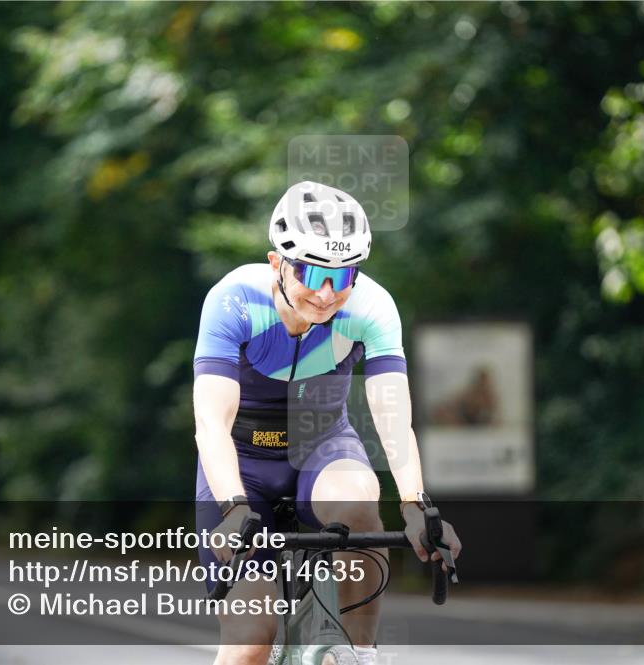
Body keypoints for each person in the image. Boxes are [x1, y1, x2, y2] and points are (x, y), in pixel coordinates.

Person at [193, 180, 461, 665]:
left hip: (325, 449)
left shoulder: (371, 306)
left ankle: (361, 652)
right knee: (249, 640)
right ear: (277, 263)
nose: (326, 293)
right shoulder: (232, 300)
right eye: (310, 273)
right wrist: (234, 508)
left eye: (343, 276)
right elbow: (212, 422)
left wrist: (417, 506)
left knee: (360, 498)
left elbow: (394, 418)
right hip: (242, 465)